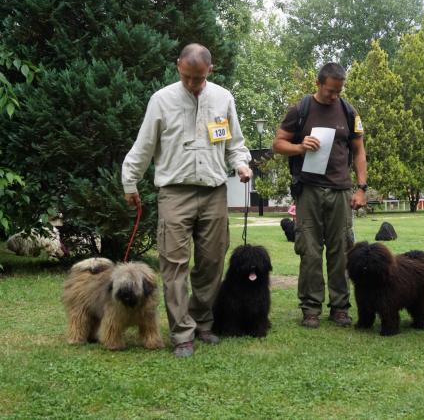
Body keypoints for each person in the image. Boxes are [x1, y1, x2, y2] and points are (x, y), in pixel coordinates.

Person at [122, 44, 252, 358]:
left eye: (198, 78)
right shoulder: (161, 100)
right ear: (179, 66)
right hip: (174, 193)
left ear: (210, 70)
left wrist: (241, 163)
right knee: (174, 266)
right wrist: (130, 180)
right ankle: (182, 333)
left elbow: (234, 143)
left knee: (211, 262)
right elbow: (144, 146)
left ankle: (202, 322)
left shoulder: (223, 98)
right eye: (187, 76)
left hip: (213, 192)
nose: (192, 84)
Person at [273, 62, 367, 329]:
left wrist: (361, 187)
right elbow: (278, 144)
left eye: (338, 91)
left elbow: (359, 150)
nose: (334, 96)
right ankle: (311, 308)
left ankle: (340, 307)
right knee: (310, 250)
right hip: (309, 189)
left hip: (340, 190)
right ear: (318, 84)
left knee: (342, 250)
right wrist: (300, 146)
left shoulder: (348, 111)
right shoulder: (300, 109)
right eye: (330, 91)